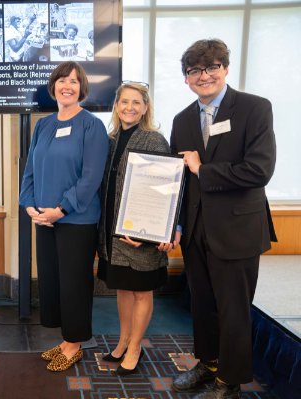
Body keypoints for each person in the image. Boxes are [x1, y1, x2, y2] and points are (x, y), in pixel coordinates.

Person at [170, 39, 276, 399]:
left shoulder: (254, 108)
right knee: (202, 305)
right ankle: (208, 363)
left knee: (233, 310)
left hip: (237, 229)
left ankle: (230, 381)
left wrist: (205, 170)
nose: (204, 76)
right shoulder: (182, 120)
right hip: (196, 231)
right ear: (186, 78)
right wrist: (177, 224)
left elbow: (259, 171)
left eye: (212, 67)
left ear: (226, 68)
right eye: (195, 70)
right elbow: (179, 182)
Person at [19, 61, 109, 372]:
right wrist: (29, 204)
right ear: (53, 85)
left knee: (74, 284)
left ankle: (74, 345)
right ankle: (65, 338)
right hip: (44, 218)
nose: (67, 85)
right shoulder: (43, 125)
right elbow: (30, 169)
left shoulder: (92, 126)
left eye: (74, 81)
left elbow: (91, 177)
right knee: (52, 282)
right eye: (62, 80)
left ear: (82, 88)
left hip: (76, 219)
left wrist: (62, 209)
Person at [97, 82, 177, 376]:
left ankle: (135, 347)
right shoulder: (109, 139)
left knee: (141, 291)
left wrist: (147, 234)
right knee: (122, 289)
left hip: (142, 234)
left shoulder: (154, 140)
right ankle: (122, 341)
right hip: (112, 233)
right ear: (116, 106)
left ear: (145, 108)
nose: (129, 107)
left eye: (136, 102)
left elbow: (164, 191)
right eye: (124, 102)